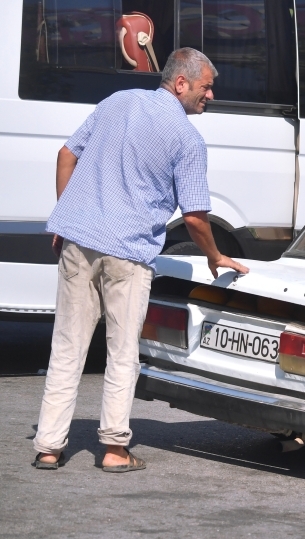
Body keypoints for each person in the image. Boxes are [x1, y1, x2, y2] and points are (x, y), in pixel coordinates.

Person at [32, 48, 249, 472]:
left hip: (79, 243)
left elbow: (66, 154)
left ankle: (48, 446)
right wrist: (215, 255)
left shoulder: (119, 101)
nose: (211, 95)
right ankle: (114, 449)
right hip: (128, 253)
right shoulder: (188, 140)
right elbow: (194, 216)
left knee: (66, 347)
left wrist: (67, 215)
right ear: (181, 83)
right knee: (123, 351)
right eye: (206, 87)